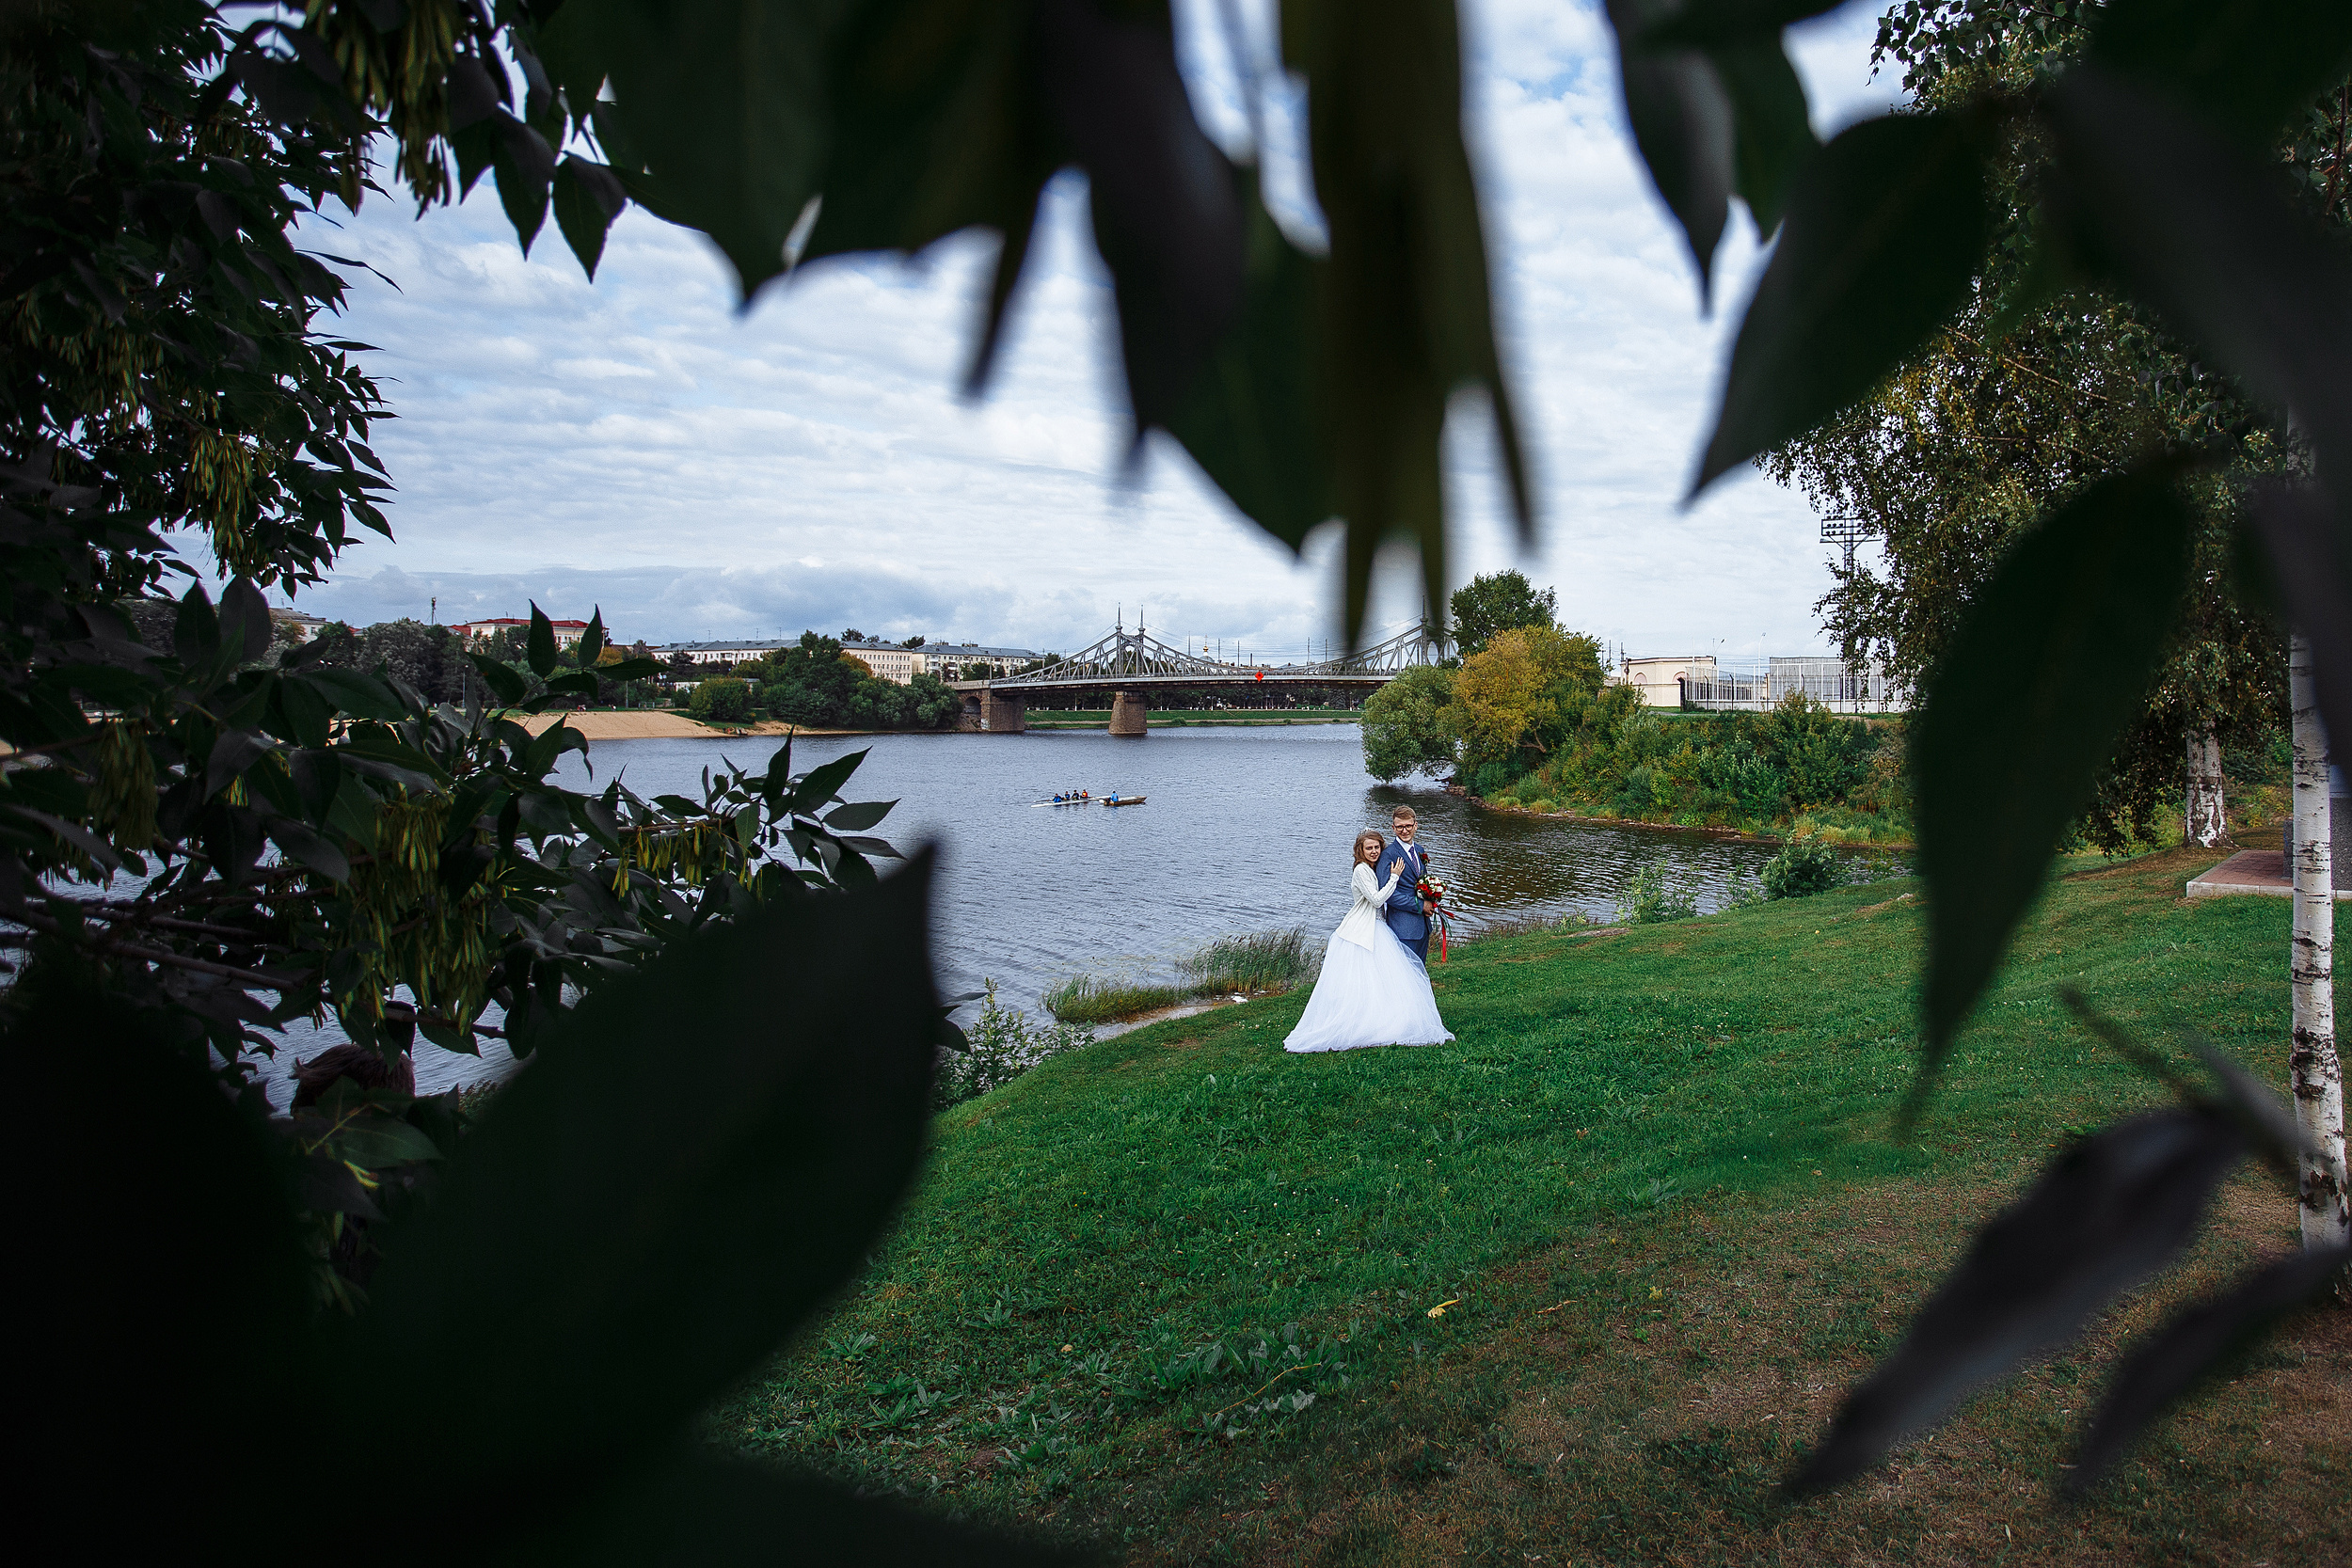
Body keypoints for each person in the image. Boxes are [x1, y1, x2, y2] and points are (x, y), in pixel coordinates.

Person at [1284, 830, 1454, 1053]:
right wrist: (1394, 877)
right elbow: (1375, 900)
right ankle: (1362, 1022)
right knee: (1365, 978)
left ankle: (1384, 1017)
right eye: (1369, 848)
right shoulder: (1362, 870)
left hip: (1377, 927)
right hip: (1362, 928)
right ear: (1360, 851)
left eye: (1377, 848)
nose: (1374, 852)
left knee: (1381, 979)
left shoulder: (1373, 868)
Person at [1379, 804, 1435, 962]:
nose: (1404, 831)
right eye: (1400, 827)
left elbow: (1422, 882)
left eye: (1408, 826)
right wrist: (1421, 905)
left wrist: (1432, 898)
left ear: (1415, 825)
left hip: (1423, 925)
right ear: (1393, 827)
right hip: (1403, 927)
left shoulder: (1420, 850)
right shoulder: (1388, 855)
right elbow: (1387, 894)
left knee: (1419, 971)